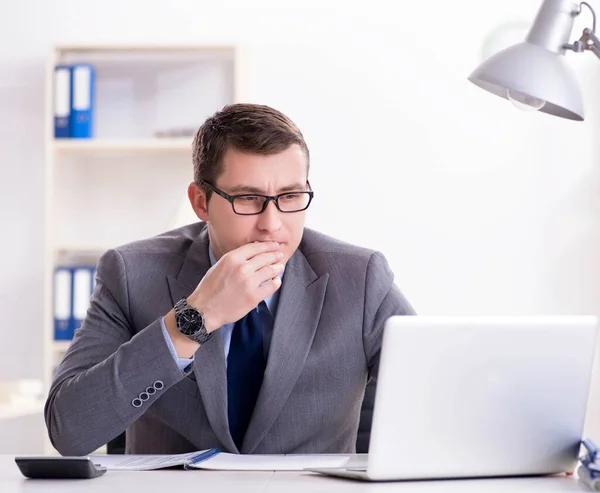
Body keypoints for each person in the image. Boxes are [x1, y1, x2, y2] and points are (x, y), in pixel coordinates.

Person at [44, 103, 415, 457]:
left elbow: (437, 396)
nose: (272, 224)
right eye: (249, 199)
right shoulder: (130, 274)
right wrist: (193, 320)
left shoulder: (361, 279)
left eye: (290, 196)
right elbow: (69, 431)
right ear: (201, 202)